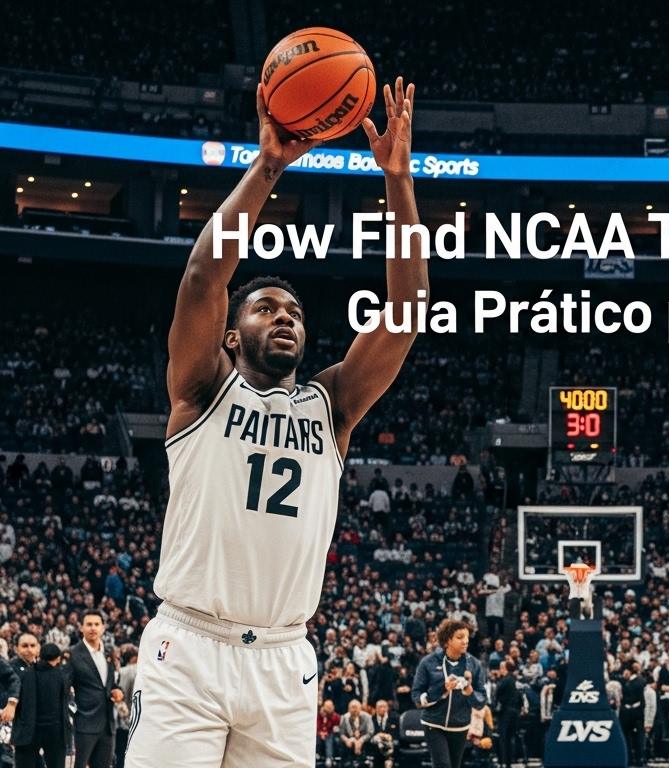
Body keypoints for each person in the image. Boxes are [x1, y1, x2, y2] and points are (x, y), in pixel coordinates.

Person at [123, 77, 428, 768]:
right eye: (262, 307)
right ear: (230, 337)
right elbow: (204, 276)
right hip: (189, 648)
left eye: (292, 311)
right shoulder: (200, 392)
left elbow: (409, 309)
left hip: (285, 660)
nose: (282, 315)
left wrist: (399, 181)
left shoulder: (333, 407)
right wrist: (269, 167)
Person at [413, 619, 488, 768]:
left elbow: (481, 701)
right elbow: (416, 696)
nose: (465, 641)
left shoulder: (474, 664)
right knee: (443, 765)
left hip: (460, 725)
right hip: (433, 723)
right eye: (460, 637)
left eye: (467, 637)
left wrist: (470, 693)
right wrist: (442, 689)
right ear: (447, 641)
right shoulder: (428, 662)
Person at [72, 612, 122, 768]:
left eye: (96, 624)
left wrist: (117, 690)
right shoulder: (73, 654)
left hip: (107, 724)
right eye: (89, 624)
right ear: (81, 628)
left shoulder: (109, 652)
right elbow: (64, 688)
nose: (93, 628)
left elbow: (111, 683)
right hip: (83, 723)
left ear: (103, 627)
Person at [13, 641, 69, 768]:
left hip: (28, 731)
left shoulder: (25, 674)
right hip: (55, 731)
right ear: (58, 658)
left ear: (40, 655)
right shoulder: (61, 676)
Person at [337, 699, 374, 767]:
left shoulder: (367, 717)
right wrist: (347, 740)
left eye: (356, 707)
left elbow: (370, 732)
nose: (354, 710)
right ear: (348, 709)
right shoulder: (345, 717)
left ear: (360, 708)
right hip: (349, 741)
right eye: (352, 707)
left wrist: (360, 740)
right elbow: (341, 733)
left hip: (364, 741)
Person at [369, 700, 396, 768]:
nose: (383, 709)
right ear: (376, 708)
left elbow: (397, 733)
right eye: (380, 707)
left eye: (385, 707)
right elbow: (370, 733)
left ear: (388, 708)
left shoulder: (395, 718)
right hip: (376, 745)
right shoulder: (371, 719)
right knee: (376, 740)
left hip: (390, 743)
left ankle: (389, 761)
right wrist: (379, 735)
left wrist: (389, 736)